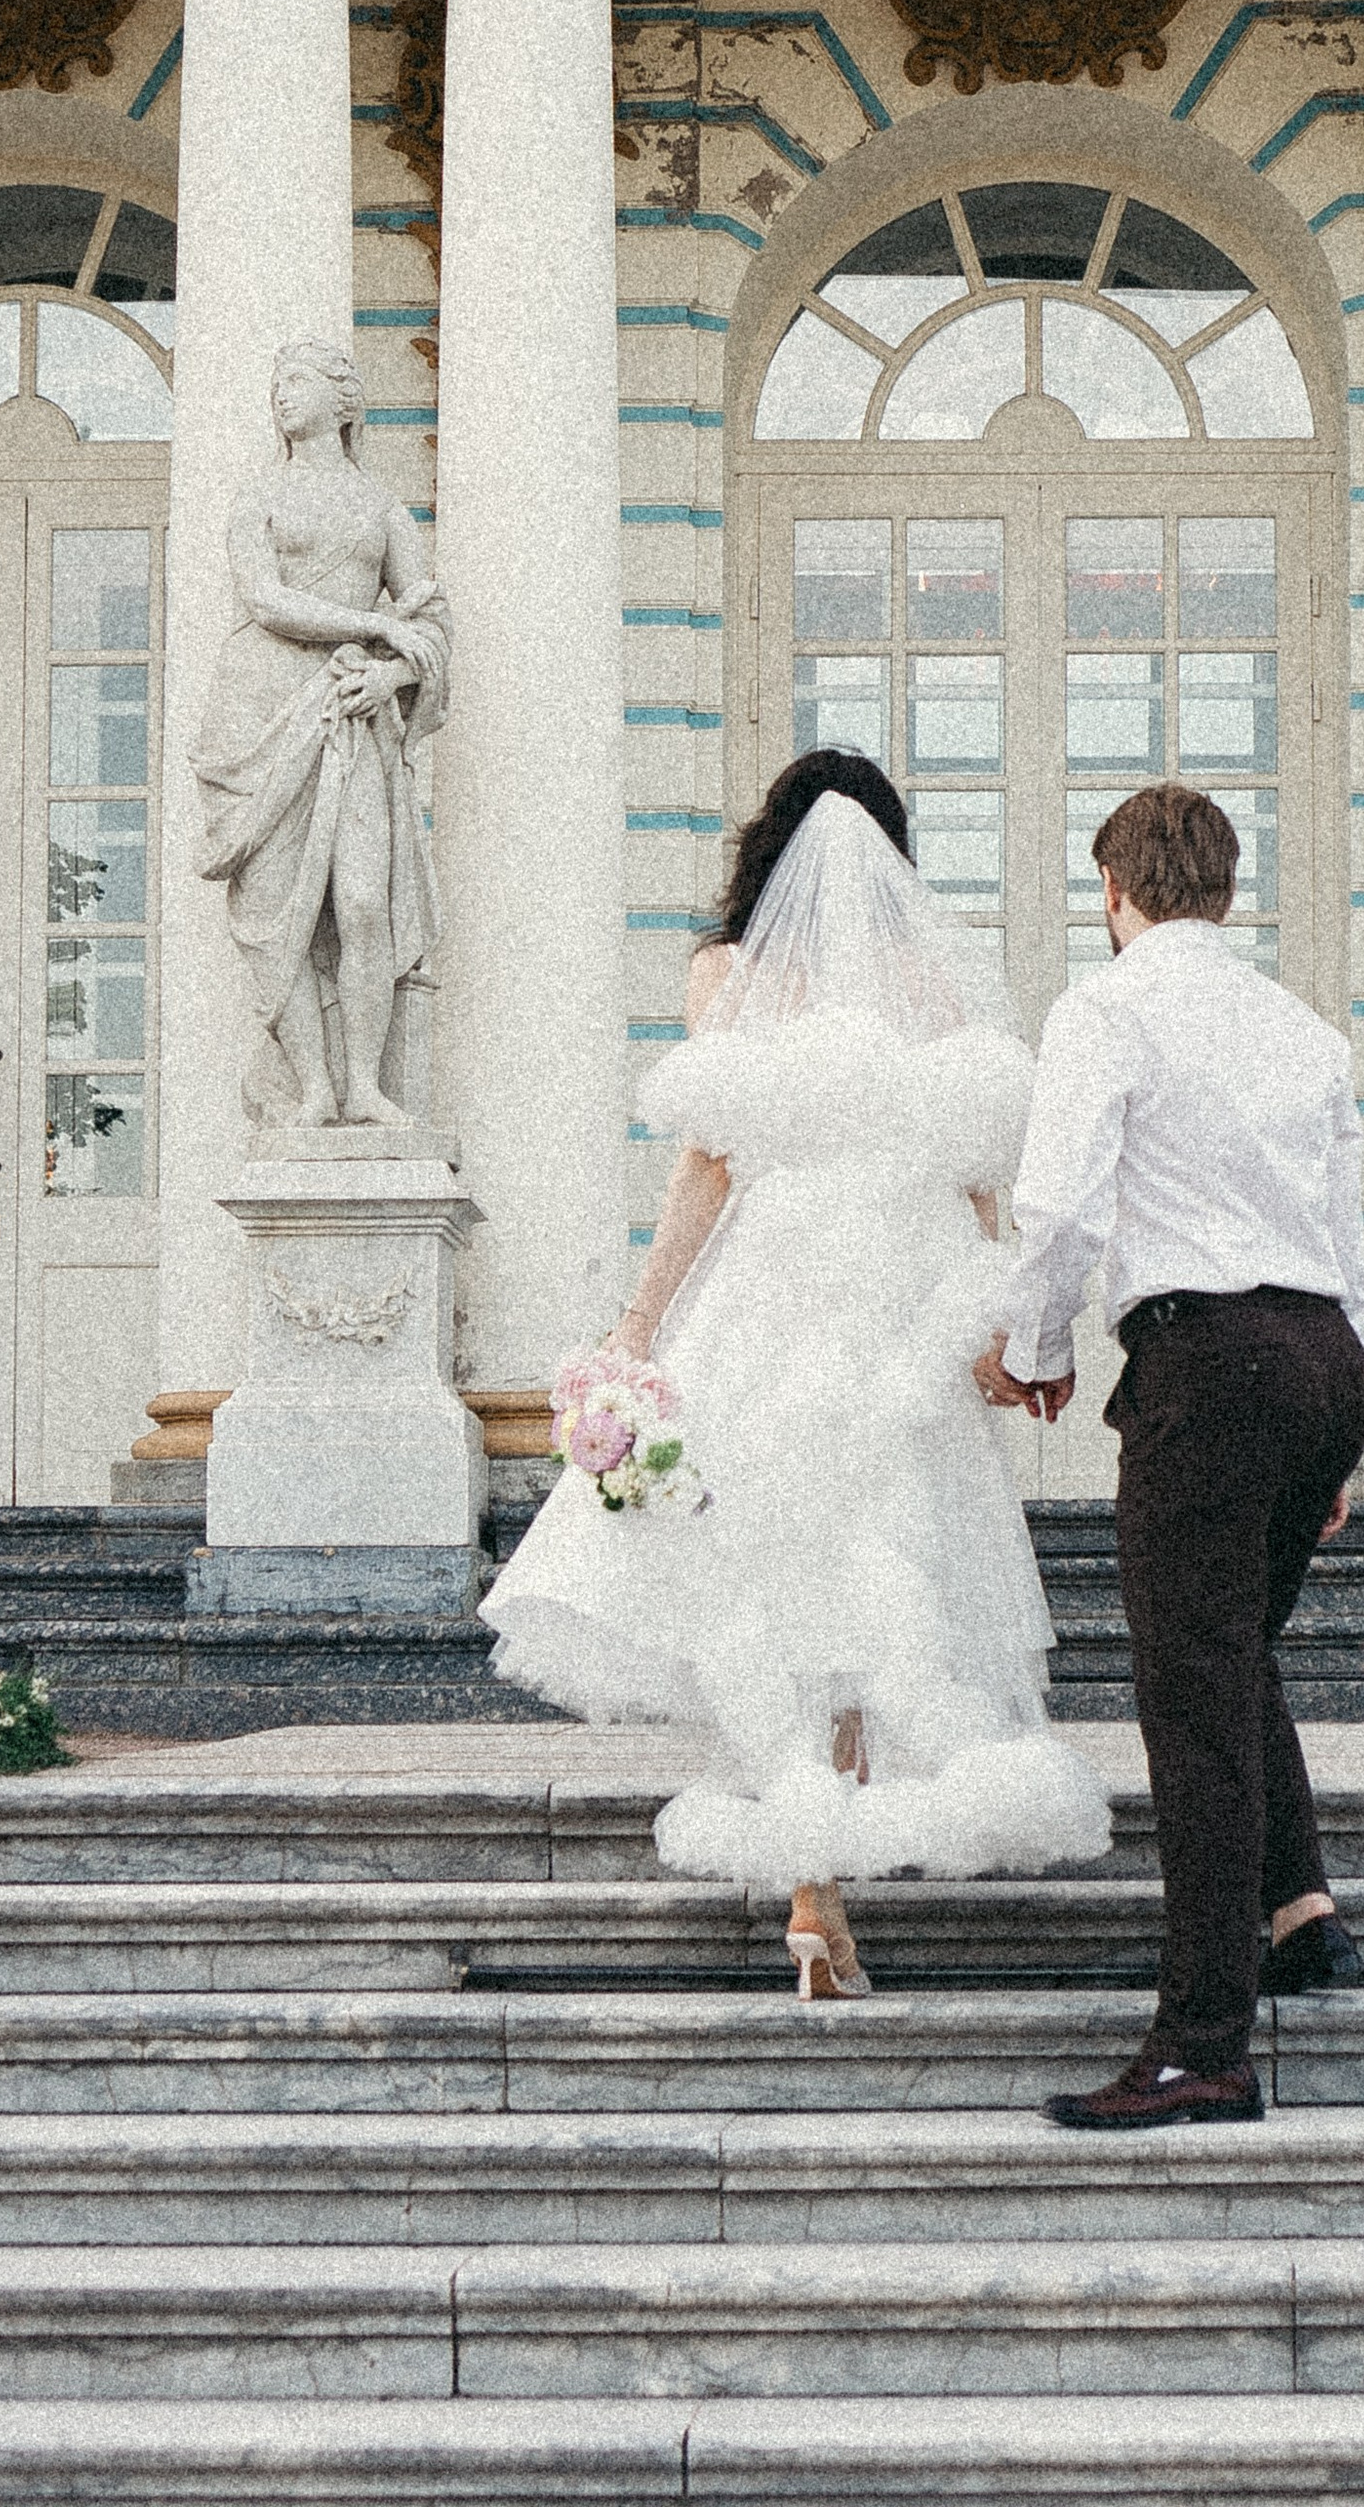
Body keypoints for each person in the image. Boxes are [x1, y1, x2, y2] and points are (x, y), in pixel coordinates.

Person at [479, 748, 1111, 1996]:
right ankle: (823, 1893)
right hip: (898, 1298)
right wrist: (1005, 1328)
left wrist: (639, 1325)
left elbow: (706, 1167)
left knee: (774, 1579)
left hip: (772, 1294)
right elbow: (979, 1175)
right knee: (885, 1567)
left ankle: (812, 1882)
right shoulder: (932, 976)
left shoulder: (728, 972)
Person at [978, 781, 1364, 2132]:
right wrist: (1333, 1445)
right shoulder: (1304, 1029)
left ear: (1114, 893)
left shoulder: (1106, 1010)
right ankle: (1301, 1911)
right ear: (1224, 889)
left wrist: (1034, 1347)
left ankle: (1204, 2044)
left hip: (1210, 1364)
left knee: (1191, 1697)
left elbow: (1059, 1208)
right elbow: (1346, 1239)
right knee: (1231, 1649)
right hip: (1323, 1360)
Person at [191, 337, 451, 1134]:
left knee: (364, 903)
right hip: (261, 707)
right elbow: (265, 600)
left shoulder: (382, 509)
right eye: (277, 382)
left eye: (298, 380)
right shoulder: (258, 499)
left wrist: (391, 678)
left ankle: (364, 1085)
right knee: (281, 919)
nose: (282, 394)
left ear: (344, 401)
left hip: (352, 710)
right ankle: (313, 1089)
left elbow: (432, 622)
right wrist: (374, 626)